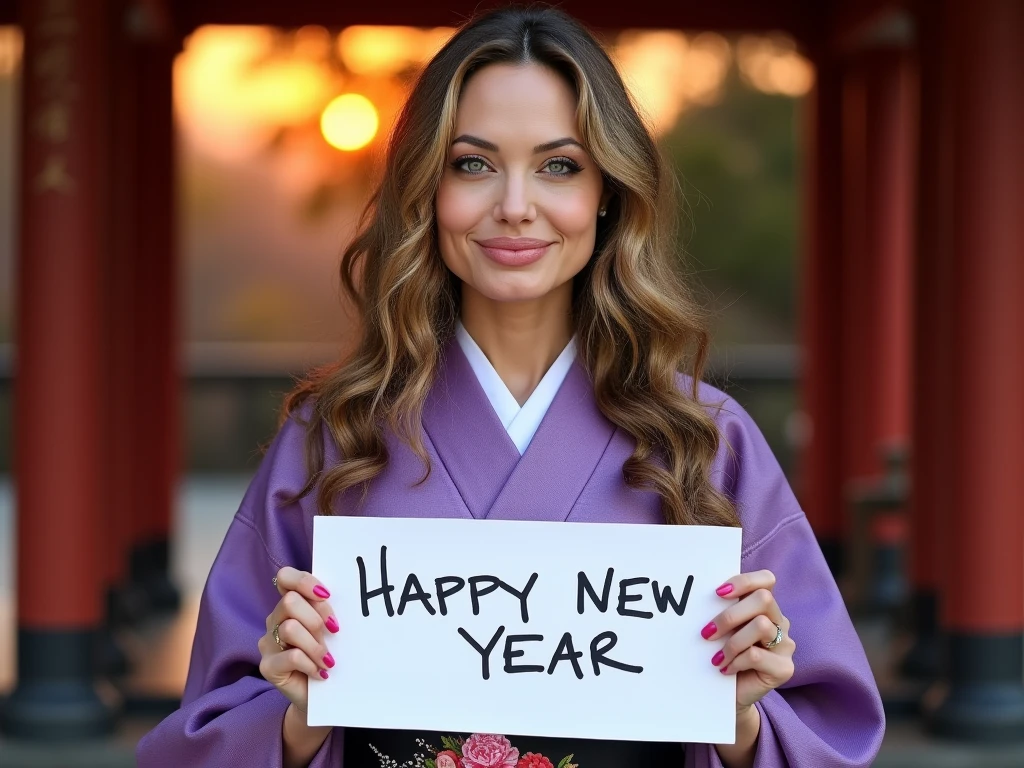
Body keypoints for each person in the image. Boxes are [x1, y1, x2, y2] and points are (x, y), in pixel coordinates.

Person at [137, 5, 884, 767]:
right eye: (473, 164)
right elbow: (208, 729)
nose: (516, 205)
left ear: (607, 191)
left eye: (559, 165)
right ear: (426, 188)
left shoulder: (704, 439)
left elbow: (829, 735)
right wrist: (290, 723)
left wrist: (746, 722)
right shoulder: (336, 437)